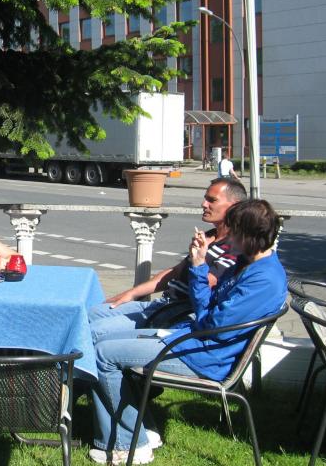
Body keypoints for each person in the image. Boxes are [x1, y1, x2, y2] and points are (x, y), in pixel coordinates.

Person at [89, 199, 287, 465]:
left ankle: (129, 446)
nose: (229, 237)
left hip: (203, 355)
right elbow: (207, 306)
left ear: (249, 236)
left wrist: (200, 272)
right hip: (192, 340)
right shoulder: (248, 264)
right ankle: (143, 430)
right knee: (102, 341)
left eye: (235, 231)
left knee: (103, 354)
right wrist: (199, 264)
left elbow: (213, 326)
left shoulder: (263, 279)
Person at [89, 178, 247, 341]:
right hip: (163, 304)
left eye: (211, 200)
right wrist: (131, 294)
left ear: (234, 206)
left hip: (179, 315)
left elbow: (205, 286)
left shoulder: (235, 247)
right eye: (205, 198)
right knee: (91, 313)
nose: (203, 204)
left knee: (95, 332)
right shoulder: (209, 236)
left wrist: (198, 259)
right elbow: (175, 272)